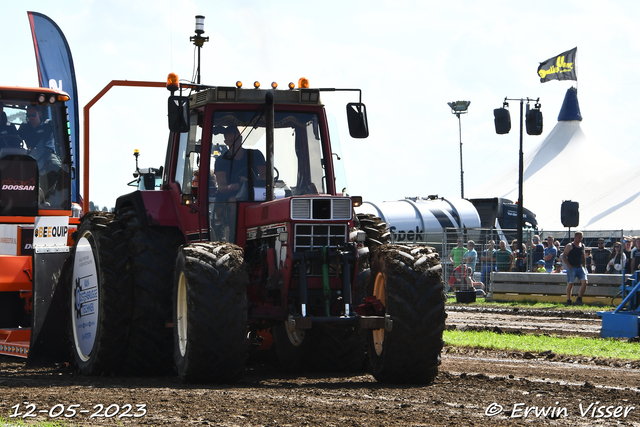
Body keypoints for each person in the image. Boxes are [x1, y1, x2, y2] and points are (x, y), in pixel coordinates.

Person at [214, 126, 266, 202]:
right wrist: (231, 187)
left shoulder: (256, 155)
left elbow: (265, 177)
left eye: (237, 140)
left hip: (253, 195)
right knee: (233, 201)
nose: (236, 144)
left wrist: (249, 183)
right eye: (232, 141)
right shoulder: (221, 160)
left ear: (241, 139)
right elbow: (221, 187)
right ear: (226, 142)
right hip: (229, 198)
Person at [561, 231, 588, 306]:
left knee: (585, 282)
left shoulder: (582, 246)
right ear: (575, 237)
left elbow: (583, 256)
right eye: (579, 237)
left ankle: (579, 298)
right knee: (570, 284)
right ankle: (568, 300)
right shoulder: (570, 246)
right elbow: (564, 256)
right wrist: (568, 265)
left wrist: (584, 266)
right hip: (572, 267)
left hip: (580, 267)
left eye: (581, 237)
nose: (580, 239)